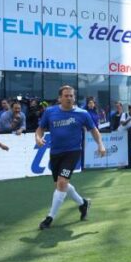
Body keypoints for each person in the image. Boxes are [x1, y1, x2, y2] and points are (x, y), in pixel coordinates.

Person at [35, 85, 106, 229]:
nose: (69, 98)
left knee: (61, 183)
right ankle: (83, 203)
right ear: (59, 98)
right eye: (66, 96)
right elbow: (40, 128)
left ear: (74, 98)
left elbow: (93, 130)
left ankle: (49, 218)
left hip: (73, 152)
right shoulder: (50, 112)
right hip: (55, 153)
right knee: (61, 185)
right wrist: (37, 137)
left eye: (71, 96)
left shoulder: (82, 113)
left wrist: (100, 144)